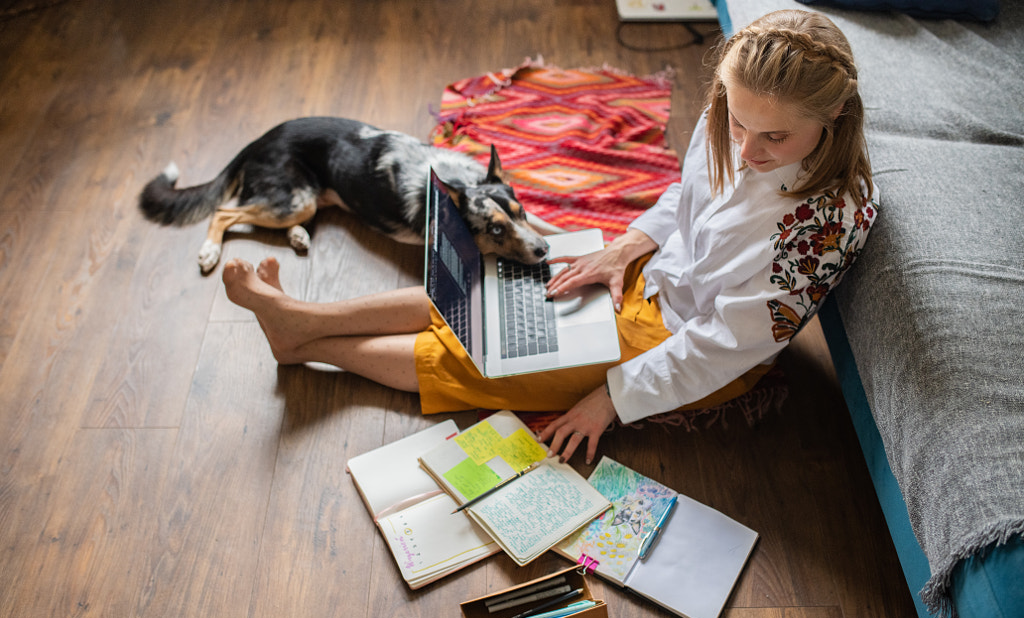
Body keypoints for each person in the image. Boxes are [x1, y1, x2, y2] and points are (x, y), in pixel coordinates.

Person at [222, 9, 878, 465]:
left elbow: (726, 346)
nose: (747, 147)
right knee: (489, 285)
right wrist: (624, 248)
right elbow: (686, 195)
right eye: (737, 123)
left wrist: (611, 398)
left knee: (480, 355)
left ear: (834, 115)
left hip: (687, 343)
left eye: (774, 138)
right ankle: (302, 321)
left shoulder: (825, 227)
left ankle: (303, 338)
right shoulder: (737, 116)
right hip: (648, 274)